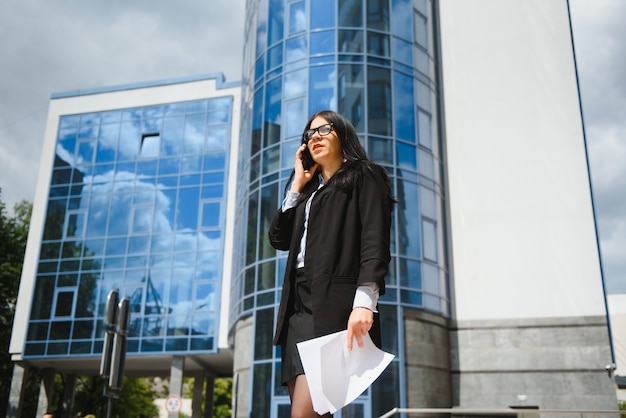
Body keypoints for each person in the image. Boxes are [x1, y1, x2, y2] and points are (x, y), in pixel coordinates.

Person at [269, 110, 394, 417]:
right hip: (297, 311)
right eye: (310, 134)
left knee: (305, 414)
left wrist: (365, 301)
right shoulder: (308, 191)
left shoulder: (365, 175)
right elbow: (278, 238)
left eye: (324, 130)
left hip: (332, 307)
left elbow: (374, 240)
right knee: (313, 412)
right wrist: (297, 184)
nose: (315, 137)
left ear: (343, 133)